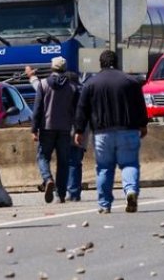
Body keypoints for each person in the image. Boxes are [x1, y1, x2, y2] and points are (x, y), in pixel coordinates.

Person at [73, 50, 148, 214]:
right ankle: (130, 191)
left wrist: (79, 130)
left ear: (100, 64)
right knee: (129, 164)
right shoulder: (131, 82)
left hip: (102, 133)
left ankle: (104, 205)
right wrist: (143, 125)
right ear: (118, 62)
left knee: (104, 168)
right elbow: (140, 106)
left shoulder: (91, 84)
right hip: (128, 130)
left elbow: (82, 109)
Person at [31, 56, 80, 204]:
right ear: (64, 69)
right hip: (65, 129)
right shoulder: (72, 87)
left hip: (47, 127)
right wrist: (78, 129)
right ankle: (61, 194)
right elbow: (76, 111)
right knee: (63, 162)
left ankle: (47, 179)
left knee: (43, 157)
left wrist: (34, 129)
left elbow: (38, 108)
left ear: (52, 68)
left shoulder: (43, 84)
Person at [65, 71, 86, 202]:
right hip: (83, 131)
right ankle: (75, 191)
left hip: (71, 130)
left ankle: (72, 191)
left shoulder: (69, 92)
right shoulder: (83, 91)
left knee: (71, 161)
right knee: (77, 162)